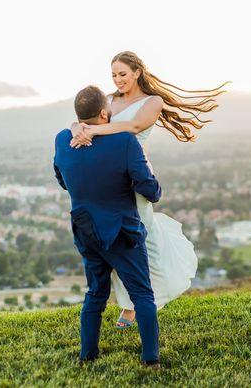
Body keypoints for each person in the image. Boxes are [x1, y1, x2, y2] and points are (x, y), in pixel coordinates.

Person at [70, 51, 227, 327]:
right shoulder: (108, 100)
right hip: (108, 175)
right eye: (114, 75)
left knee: (138, 234)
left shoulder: (153, 102)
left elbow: (133, 126)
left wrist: (91, 132)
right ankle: (130, 303)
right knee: (112, 237)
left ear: (137, 72)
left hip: (134, 173)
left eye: (123, 74)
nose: (118, 80)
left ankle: (135, 304)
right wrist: (76, 128)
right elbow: (87, 118)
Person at [53, 85, 162, 367]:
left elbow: (62, 178)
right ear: (105, 113)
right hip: (121, 231)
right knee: (142, 295)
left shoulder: (63, 139)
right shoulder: (124, 141)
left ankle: (87, 355)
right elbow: (149, 189)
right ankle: (151, 359)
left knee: (95, 294)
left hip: (85, 229)